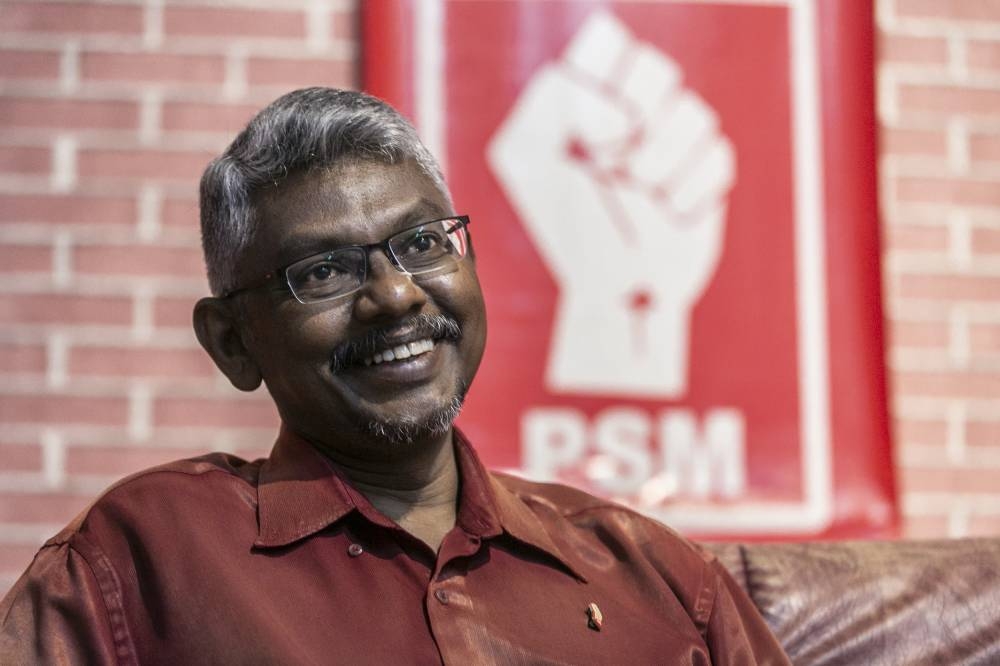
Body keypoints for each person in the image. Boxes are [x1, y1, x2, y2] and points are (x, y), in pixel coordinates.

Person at [0, 87, 789, 664]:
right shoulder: (137, 564)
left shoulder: (657, 579)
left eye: (422, 243)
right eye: (324, 271)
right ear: (233, 343)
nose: (398, 296)